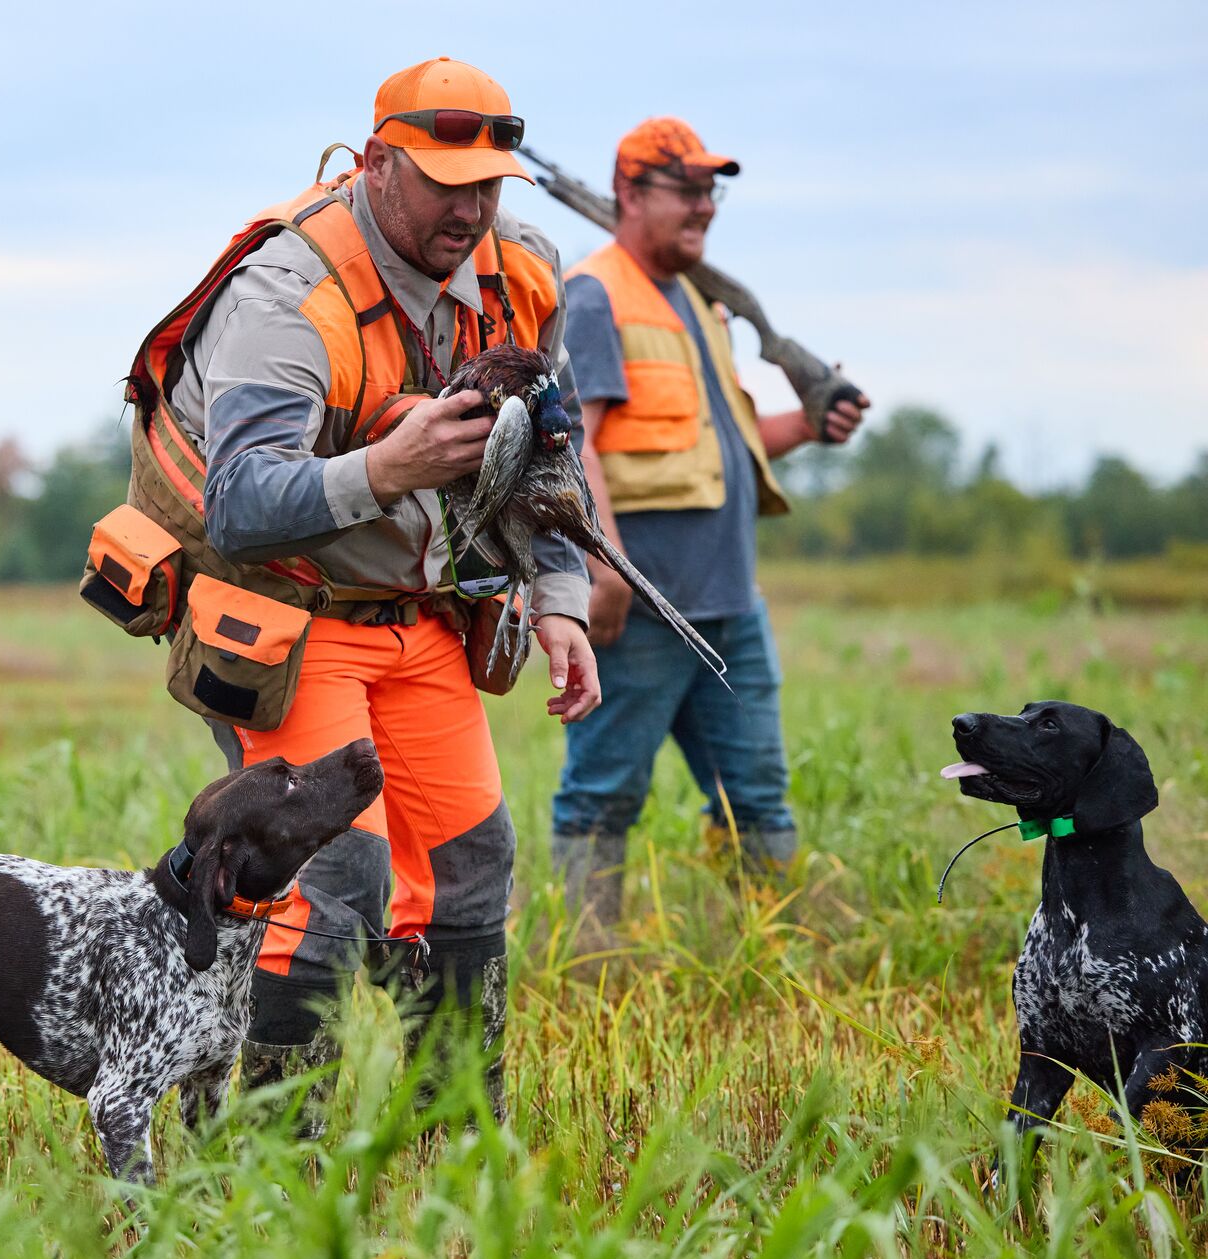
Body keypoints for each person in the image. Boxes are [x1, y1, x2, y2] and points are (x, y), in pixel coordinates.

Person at [119, 57, 601, 1129]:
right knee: (334, 887)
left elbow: (550, 453)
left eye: (488, 187)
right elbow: (242, 502)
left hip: (421, 619)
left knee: (474, 868)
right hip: (286, 616)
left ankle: (448, 1143)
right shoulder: (287, 296)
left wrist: (561, 594)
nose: (470, 211)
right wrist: (393, 468)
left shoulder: (524, 273)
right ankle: (272, 1156)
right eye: (443, 183)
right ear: (378, 164)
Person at [549, 118, 867, 946]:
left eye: (709, 191)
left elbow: (719, 443)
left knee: (756, 793)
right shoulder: (593, 293)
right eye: (685, 190)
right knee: (604, 794)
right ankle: (583, 963)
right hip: (645, 606)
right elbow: (571, 447)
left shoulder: (700, 300)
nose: (704, 207)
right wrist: (604, 570)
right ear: (628, 194)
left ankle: (769, 954)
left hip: (731, 604)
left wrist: (810, 423)